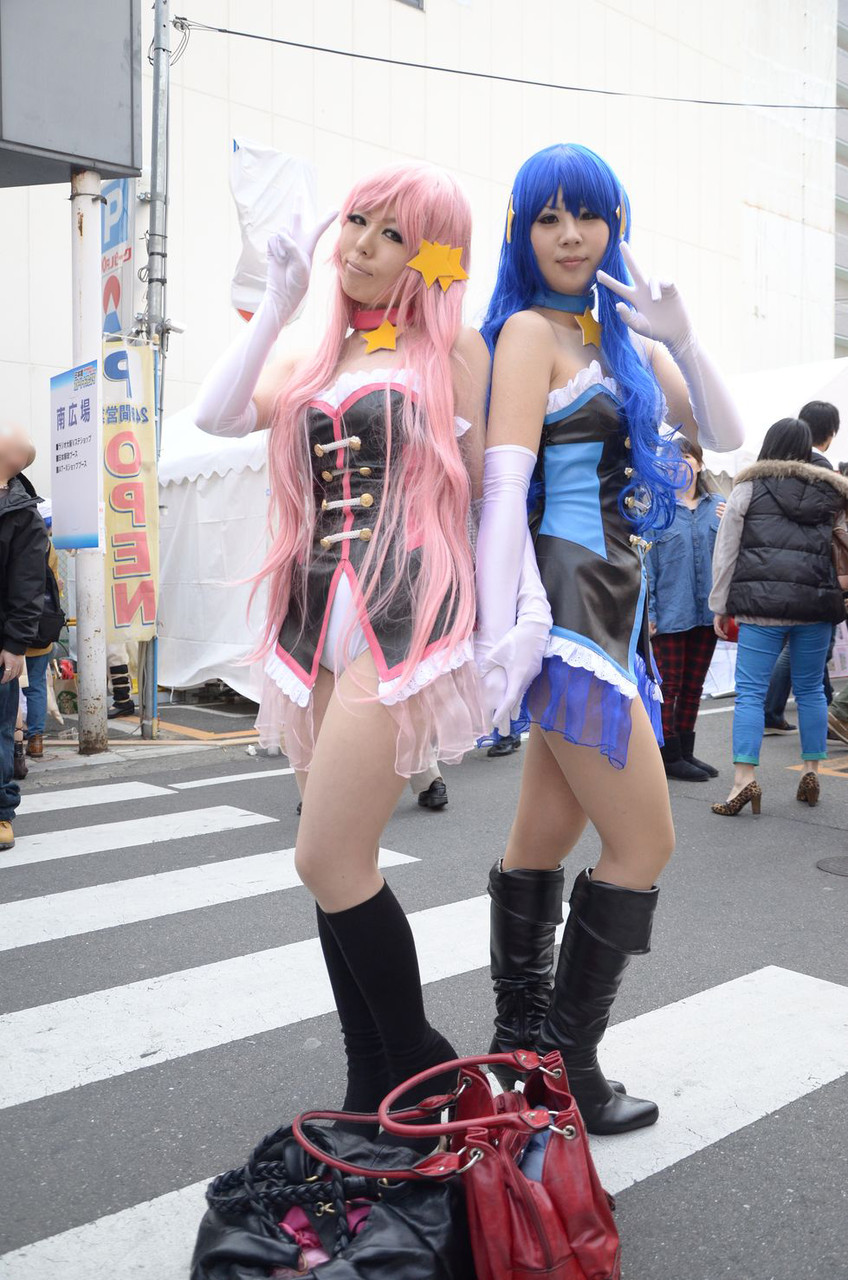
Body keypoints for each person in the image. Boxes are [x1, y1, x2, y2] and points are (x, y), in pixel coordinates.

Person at [193, 164, 489, 1126]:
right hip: (316, 618)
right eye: (357, 220)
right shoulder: (317, 350)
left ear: (431, 255)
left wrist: (503, 627)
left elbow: (488, 496)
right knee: (340, 864)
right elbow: (217, 414)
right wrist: (279, 304)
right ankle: (373, 1077)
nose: (361, 243)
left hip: (406, 615)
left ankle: (422, 1064)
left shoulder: (453, 352)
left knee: (324, 859)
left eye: (391, 233)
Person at [476, 143, 743, 1135]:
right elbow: (503, 485)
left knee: (539, 840)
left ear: (613, 226)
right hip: (564, 615)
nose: (569, 235)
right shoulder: (527, 334)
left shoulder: (617, 341)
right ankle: (567, 1067)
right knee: (645, 839)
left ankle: (520, 1055)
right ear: (521, 232)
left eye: (585, 215)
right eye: (546, 217)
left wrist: (686, 339)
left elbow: (723, 432)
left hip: (611, 617)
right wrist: (509, 624)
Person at [709, 418, 848, 816]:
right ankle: (811, 771)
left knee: (751, 694)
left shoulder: (748, 489)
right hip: (815, 606)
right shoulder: (830, 493)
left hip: (760, 606)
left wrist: (720, 603)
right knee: (811, 691)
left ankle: (744, 780)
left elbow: (727, 551)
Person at [646, 437, 724, 780]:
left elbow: (732, 556)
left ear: (700, 463)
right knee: (668, 688)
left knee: (694, 686)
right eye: (671, 460)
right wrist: (650, 613)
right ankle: (668, 755)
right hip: (670, 613)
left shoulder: (719, 506)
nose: (679, 464)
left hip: (708, 612)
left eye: (687, 457)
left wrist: (735, 521)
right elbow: (646, 566)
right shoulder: (656, 512)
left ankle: (686, 752)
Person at [763, 400, 841, 733]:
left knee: (802, 646)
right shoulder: (821, 467)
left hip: (776, 569)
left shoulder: (775, 466)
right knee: (813, 646)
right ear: (831, 432)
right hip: (814, 570)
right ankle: (820, 719)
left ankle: (782, 712)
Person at [0, 425, 47, 852]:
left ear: (13, 459)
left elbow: (29, 585)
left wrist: (15, 645)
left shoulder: (22, 514)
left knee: (0, 730)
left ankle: (1, 813)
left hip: (0, 641)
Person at [22, 501, 60, 760]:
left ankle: (14, 738)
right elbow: (57, 585)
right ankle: (35, 741)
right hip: (41, 624)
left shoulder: (16, 542)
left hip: (14, 625)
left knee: (10, 687)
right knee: (36, 685)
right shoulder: (48, 547)